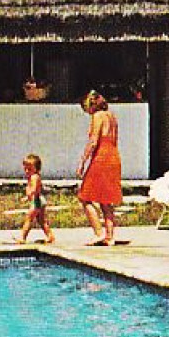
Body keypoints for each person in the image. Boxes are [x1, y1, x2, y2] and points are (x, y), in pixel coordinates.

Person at [76, 90, 123, 246]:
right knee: (106, 200)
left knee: (85, 196)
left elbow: (94, 141)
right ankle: (110, 236)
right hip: (114, 156)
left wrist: (83, 161)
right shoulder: (112, 116)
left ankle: (98, 233)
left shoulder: (98, 116)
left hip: (101, 157)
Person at [16, 153, 55, 244]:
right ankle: (50, 236)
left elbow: (34, 189)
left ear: (36, 168)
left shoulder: (34, 177)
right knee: (41, 221)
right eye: (25, 168)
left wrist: (28, 195)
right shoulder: (33, 176)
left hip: (37, 200)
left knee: (28, 218)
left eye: (29, 169)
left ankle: (22, 237)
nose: (26, 171)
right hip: (39, 200)